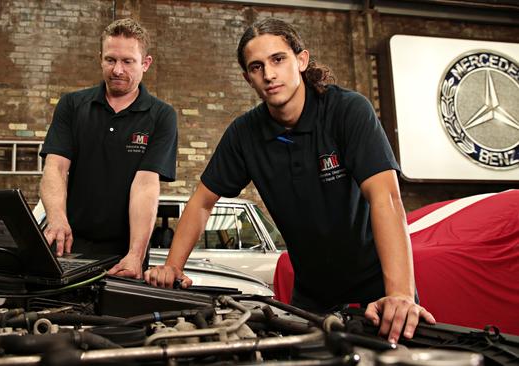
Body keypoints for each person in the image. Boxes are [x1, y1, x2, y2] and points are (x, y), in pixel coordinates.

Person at [144, 18, 435, 344]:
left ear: (302, 60)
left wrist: (399, 293)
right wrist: (172, 267)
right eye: (257, 67)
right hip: (313, 289)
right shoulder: (244, 134)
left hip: (377, 280)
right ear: (247, 78)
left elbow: (387, 198)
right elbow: (201, 203)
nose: (268, 74)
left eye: (277, 59)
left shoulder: (348, 111)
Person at [39, 18, 178, 279]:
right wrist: (57, 219)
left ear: (145, 64)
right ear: (100, 59)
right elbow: (55, 167)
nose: (117, 70)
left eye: (128, 61)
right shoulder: (72, 105)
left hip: (125, 252)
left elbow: (146, 185)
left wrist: (136, 254)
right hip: (69, 245)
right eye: (110, 60)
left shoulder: (161, 116)